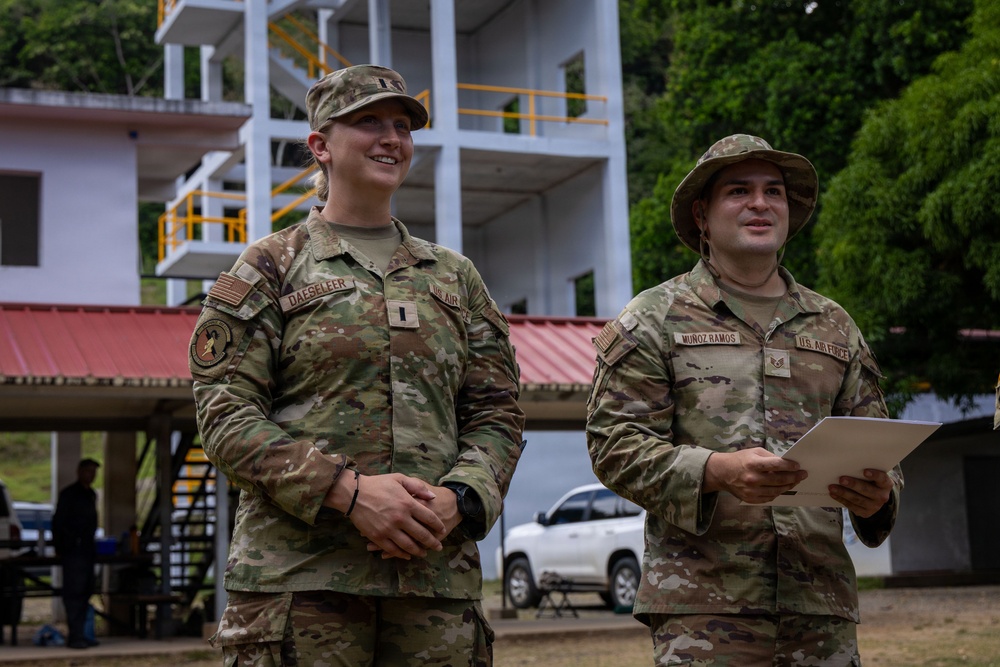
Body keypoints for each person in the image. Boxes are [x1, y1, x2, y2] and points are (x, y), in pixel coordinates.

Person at [189, 64, 525, 666]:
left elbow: (497, 413)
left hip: (435, 583)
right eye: (368, 122)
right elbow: (225, 414)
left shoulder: (455, 276)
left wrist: (460, 499)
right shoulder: (270, 265)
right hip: (300, 583)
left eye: (403, 126)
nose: (391, 138)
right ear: (320, 146)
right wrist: (348, 493)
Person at [586, 134, 902, 666]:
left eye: (773, 191)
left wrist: (880, 496)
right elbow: (614, 445)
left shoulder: (834, 324)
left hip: (819, 607)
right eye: (739, 191)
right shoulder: (654, 317)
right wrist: (716, 470)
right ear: (702, 216)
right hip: (704, 609)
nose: (760, 203)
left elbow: (880, 444)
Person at [51, 457, 100, 650]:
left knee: (86, 590)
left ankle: (82, 633)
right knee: (74, 592)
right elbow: (58, 523)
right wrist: (62, 546)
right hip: (73, 550)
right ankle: (75, 635)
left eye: (93, 472)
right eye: (88, 471)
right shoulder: (69, 495)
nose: (91, 475)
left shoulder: (91, 495)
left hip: (87, 549)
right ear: (80, 472)